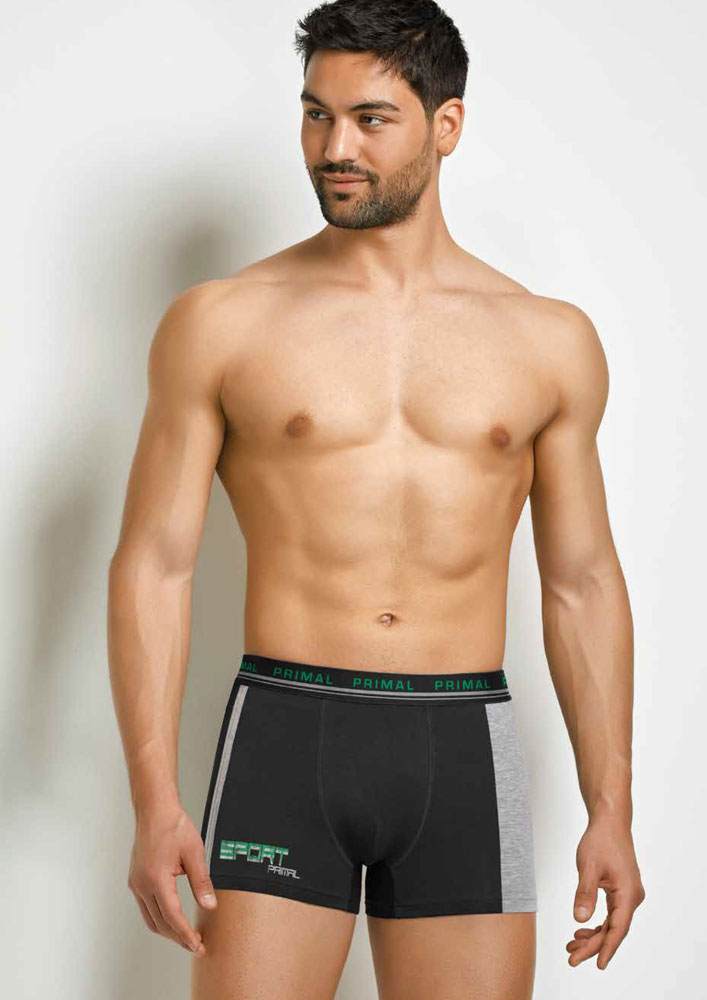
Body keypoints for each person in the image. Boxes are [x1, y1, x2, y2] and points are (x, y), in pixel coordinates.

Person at [106, 1, 646, 997]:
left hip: (466, 742)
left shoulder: (546, 340)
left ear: (446, 125)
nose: (333, 148)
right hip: (284, 732)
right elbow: (154, 563)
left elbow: (580, 581)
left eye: (369, 119)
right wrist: (152, 798)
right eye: (315, 114)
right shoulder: (223, 323)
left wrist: (609, 806)